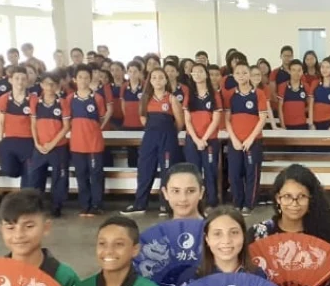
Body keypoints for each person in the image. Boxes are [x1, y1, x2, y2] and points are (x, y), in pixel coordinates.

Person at [122, 68, 183, 216]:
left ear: (166, 80)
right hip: (150, 138)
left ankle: (165, 205)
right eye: (154, 77)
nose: (157, 80)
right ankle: (140, 204)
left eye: (161, 77)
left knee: (167, 172)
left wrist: (169, 133)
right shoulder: (145, 98)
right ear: (150, 81)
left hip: (167, 138)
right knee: (145, 170)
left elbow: (180, 122)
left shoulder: (171, 99)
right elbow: (143, 118)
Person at [67, 65, 112, 217]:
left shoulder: (97, 98)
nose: (83, 80)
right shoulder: (69, 99)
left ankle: (97, 205)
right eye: (80, 77)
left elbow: (102, 117)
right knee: (81, 175)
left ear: (90, 79)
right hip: (77, 144)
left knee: (96, 175)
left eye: (86, 77)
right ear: (75, 80)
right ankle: (84, 205)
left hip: (94, 144)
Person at [225, 62, 268, 215]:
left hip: (253, 141)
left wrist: (251, 138)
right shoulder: (230, 94)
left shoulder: (258, 94)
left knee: (252, 173)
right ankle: (237, 201)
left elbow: (262, 118)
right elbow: (227, 119)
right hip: (235, 141)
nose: (241, 76)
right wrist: (234, 139)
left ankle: (249, 204)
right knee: (234, 172)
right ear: (234, 76)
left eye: (244, 73)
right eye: (238, 73)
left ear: (249, 75)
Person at [27, 72, 71, 218]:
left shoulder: (62, 102)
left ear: (57, 86)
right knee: (35, 176)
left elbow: (66, 127)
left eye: (52, 84)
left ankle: (56, 207)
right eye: (46, 84)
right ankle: (36, 207)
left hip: (58, 147)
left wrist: (52, 143)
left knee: (60, 177)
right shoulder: (35, 102)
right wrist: (37, 143)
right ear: (41, 85)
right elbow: (33, 124)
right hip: (39, 147)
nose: (49, 87)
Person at [180, 63, 222, 207]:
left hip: (210, 140)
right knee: (194, 171)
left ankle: (212, 201)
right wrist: (196, 139)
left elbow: (216, 120)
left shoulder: (214, 95)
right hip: (192, 140)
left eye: (200, 71)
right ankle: (196, 201)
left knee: (210, 171)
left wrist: (203, 139)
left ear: (206, 74)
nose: (197, 74)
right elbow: (187, 121)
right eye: (194, 72)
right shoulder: (189, 96)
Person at [0, 66, 34, 188]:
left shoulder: (33, 99)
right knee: (9, 170)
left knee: (28, 177)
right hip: (9, 141)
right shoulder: (4, 99)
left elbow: (35, 122)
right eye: (17, 78)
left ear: (27, 81)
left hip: (28, 142)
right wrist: (1, 139)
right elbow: (0, 121)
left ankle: (26, 205)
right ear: (10, 80)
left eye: (23, 79)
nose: (20, 81)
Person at [308, 56, 330, 130]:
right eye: (322, 67)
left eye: (327, 67)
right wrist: (311, 124)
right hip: (315, 123)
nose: (324, 70)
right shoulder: (315, 83)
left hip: (329, 122)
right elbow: (311, 105)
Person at [278, 60, 310, 130]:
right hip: (286, 125)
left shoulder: (306, 86)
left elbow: (310, 105)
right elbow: (280, 109)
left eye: (299, 70)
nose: (296, 73)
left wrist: (300, 110)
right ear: (289, 71)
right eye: (293, 70)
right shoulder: (282, 86)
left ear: (302, 72)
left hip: (302, 125)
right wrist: (283, 126)